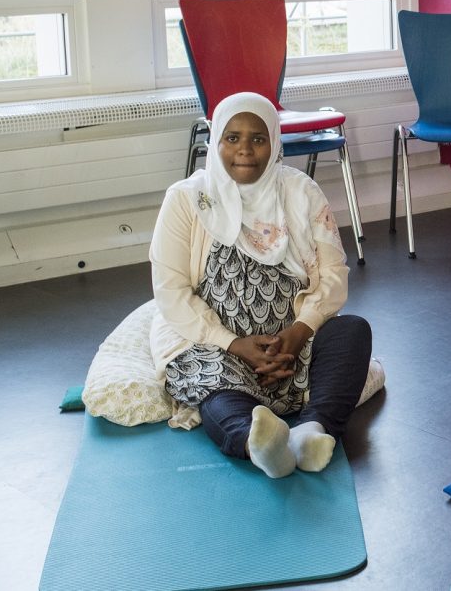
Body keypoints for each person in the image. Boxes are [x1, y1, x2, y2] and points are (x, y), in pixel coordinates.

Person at [150, 92, 373, 479]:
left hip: (293, 347)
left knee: (352, 331)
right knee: (209, 388)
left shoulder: (300, 192)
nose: (245, 150)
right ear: (215, 140)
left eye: (258, 138)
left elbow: (334, 273)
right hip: (218, 348)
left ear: (275, 142)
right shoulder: (187, 200)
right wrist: (236, 345)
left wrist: (299, 333)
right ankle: (260, 446)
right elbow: (171, 292)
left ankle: (310, 431)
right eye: (232, 138)